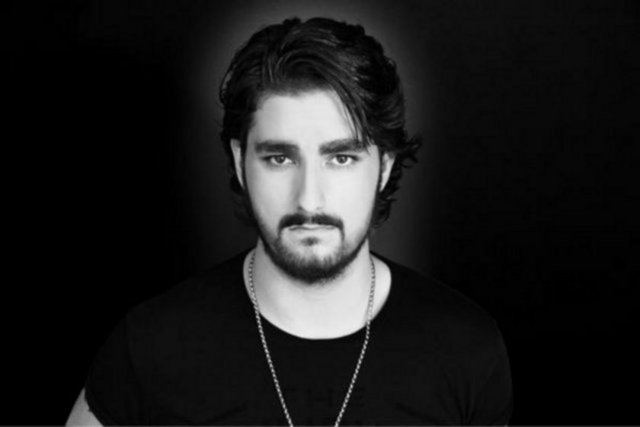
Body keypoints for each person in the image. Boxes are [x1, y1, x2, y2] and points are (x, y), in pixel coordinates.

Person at [67, 17, 512, 426]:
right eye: (280, 158)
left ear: (384, 167)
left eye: (341, 158)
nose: (309, 197)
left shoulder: (465, 349)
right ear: (240, 162)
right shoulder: (152, 346)